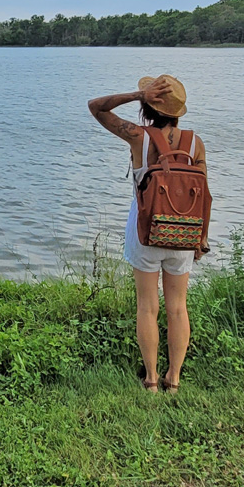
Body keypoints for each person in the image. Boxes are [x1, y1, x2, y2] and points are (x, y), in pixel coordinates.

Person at [87, 74, 206, 393]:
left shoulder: (139, 137)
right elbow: (204, 194)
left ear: (149, 105)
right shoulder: (195, 143)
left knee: (147, 306)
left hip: (146, 232)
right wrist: (200, 238)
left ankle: (152, 380)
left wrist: (138, 93)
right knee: (178, 307)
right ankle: (175, 379)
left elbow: (96, 107)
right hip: (184, 235)